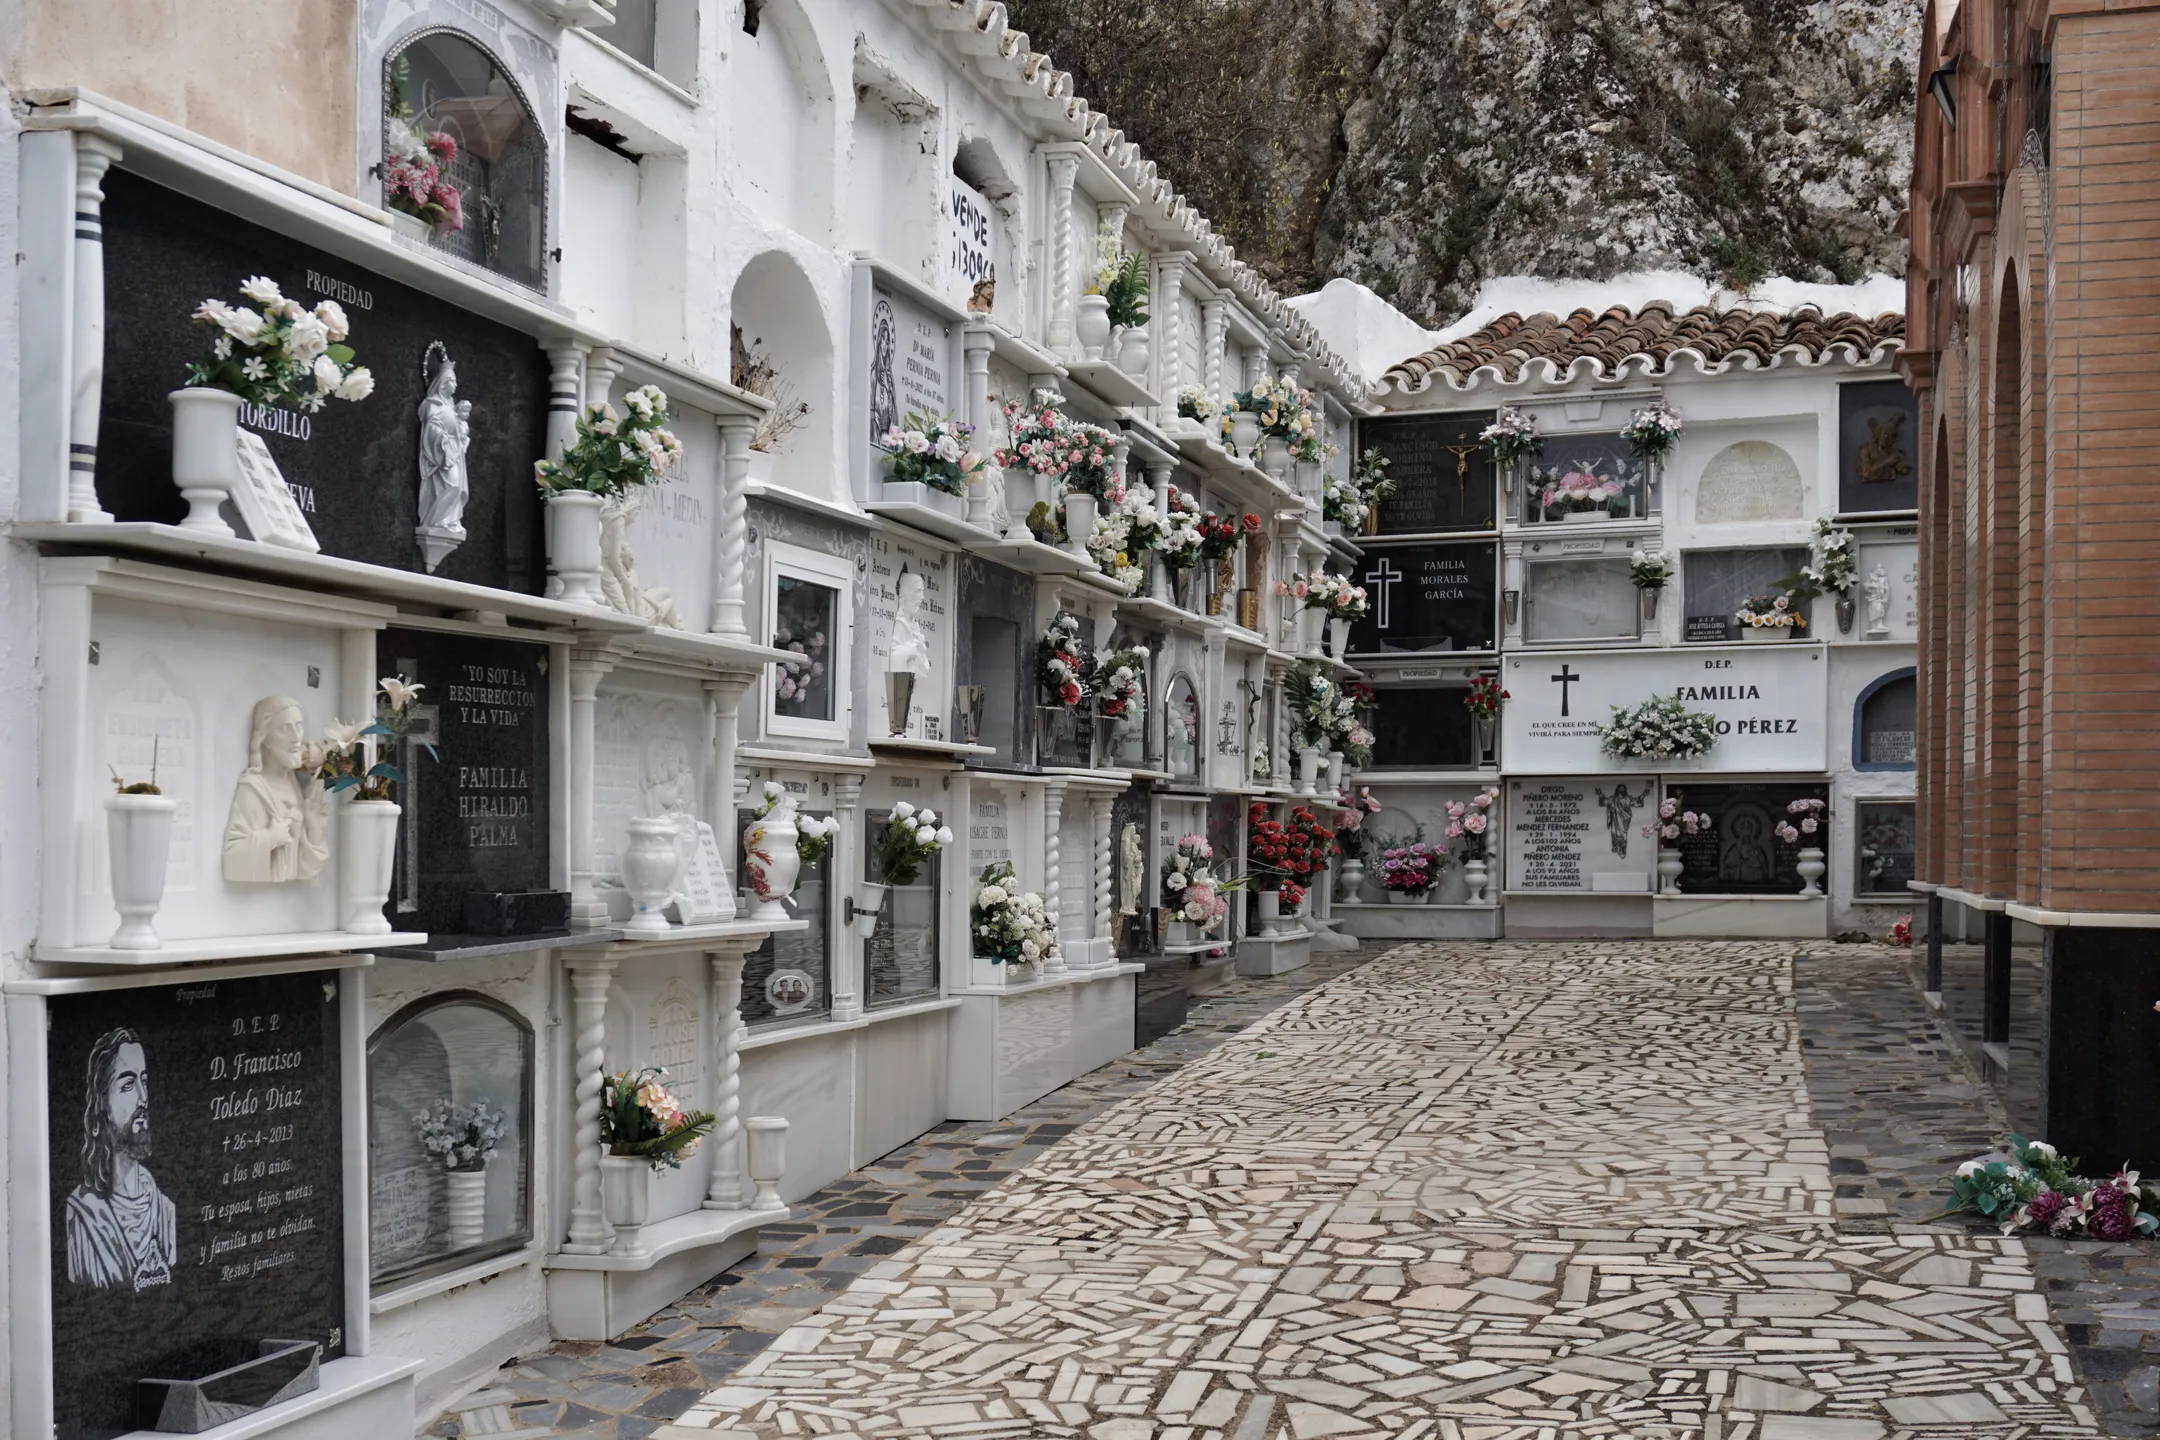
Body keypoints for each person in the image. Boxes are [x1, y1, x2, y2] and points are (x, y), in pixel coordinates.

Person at [66, 1027, 176, 1291]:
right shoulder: (81, 1217)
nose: (143, 1098)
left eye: (144, 1081)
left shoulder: (165, 1211)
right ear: (102, 1103)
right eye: (128, 1085)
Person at [223, 695, 329, 883]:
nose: (296, 738)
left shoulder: (293, 786)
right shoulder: (252, 790)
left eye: (298, 726)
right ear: (265, 738)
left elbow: (305, 870)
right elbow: (232, 862)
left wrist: (314, 830)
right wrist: (269, 838)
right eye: (284, 728)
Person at [417, 358, 470, 535]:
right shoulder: (433, 404)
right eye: (452, 381)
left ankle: (450, 521)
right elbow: (431, 429)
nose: (456, 385)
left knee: (458, 487)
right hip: (442, 453)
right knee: (451, 485)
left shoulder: (452, 406)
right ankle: (435, 522)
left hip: (455, 453)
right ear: (443, 384)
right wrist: (444, 440)